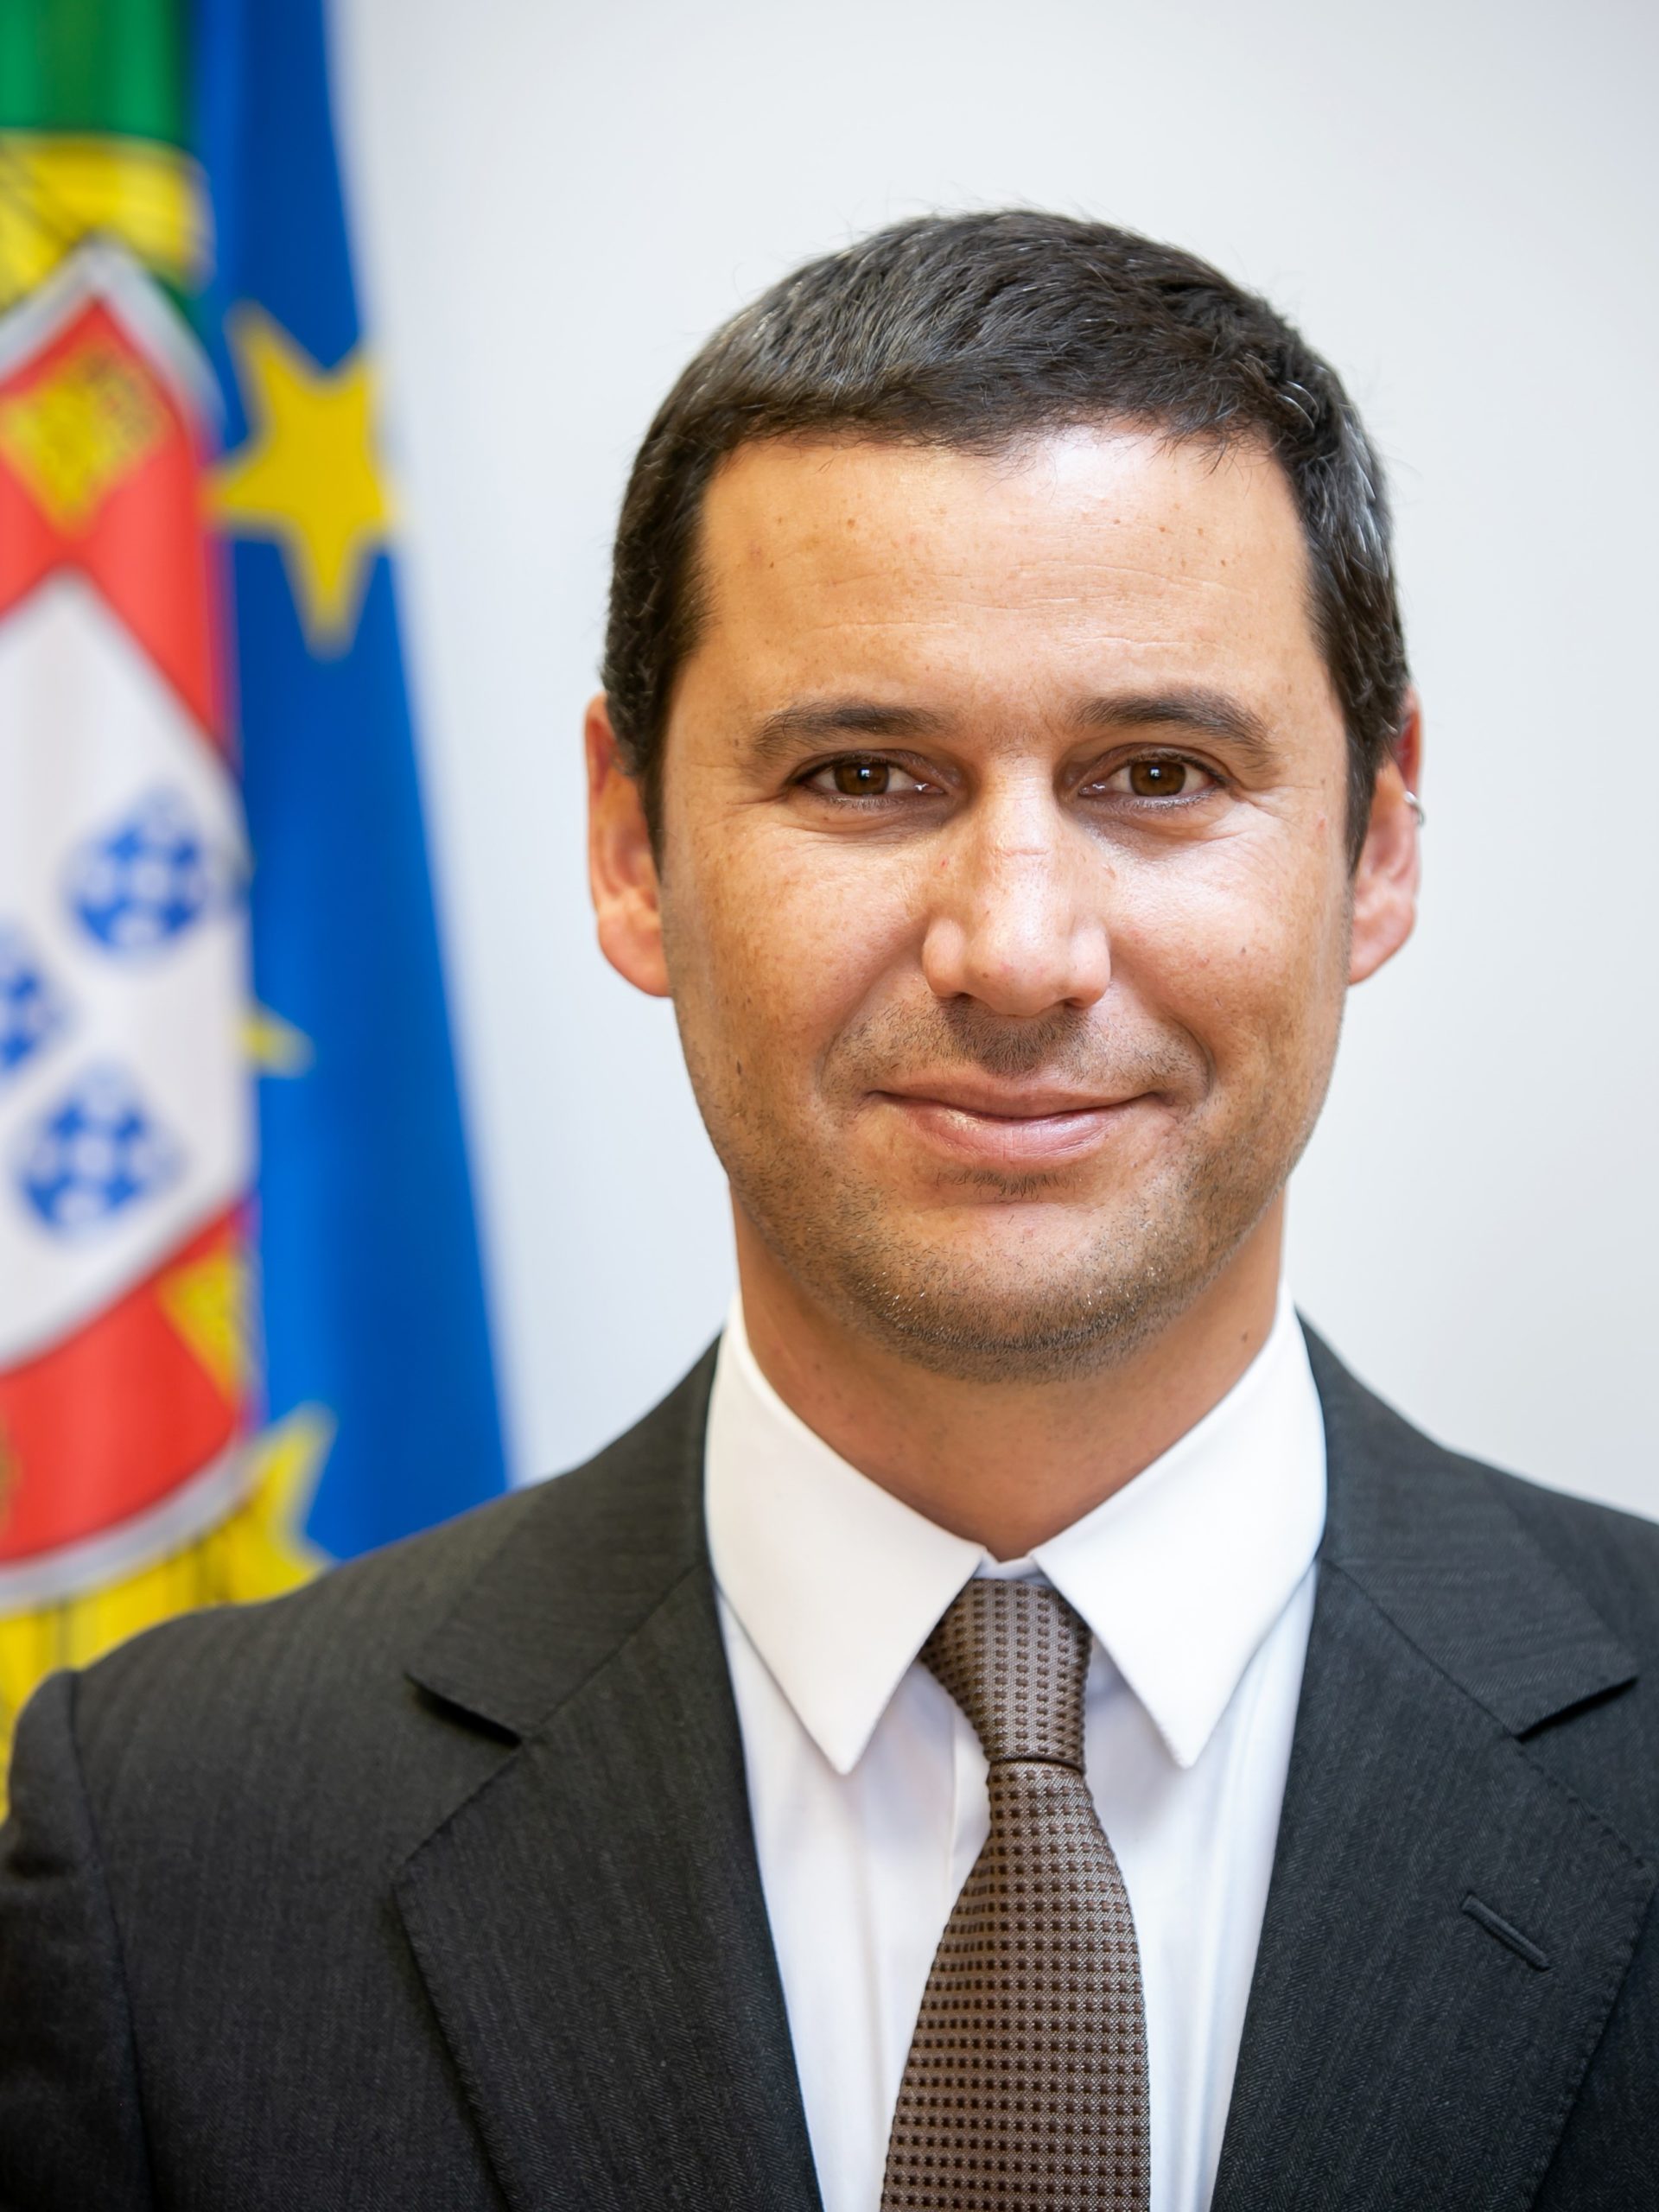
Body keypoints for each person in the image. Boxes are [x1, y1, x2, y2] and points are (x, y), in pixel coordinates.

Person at [2, 211, 1655, 2212]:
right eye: (868, 774)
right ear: (630, 845)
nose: (1017, 949)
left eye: (1158, 770)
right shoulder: (171, 1842)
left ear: (1376, 842)